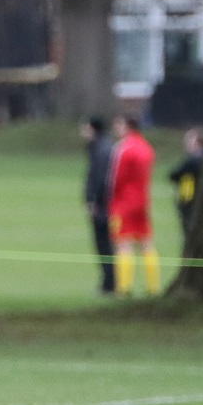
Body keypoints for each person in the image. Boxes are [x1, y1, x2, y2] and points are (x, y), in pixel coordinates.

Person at [108, 113, 159, 296]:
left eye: (118, 124)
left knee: (123, 244)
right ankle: (153, 287)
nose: (115, 128)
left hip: (124, 202)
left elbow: (115, 179)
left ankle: (124, 288)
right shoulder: (146, 147)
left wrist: (110, 199)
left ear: (127, 126)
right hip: (143, 201)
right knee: (146, 244)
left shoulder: (123, 148)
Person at [80, 116, 116, 295]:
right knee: (105, 244)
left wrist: (93, 201)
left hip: (103, 206)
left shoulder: (102, 150)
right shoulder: (101, 147)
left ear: (93, 129)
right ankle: (109, 282)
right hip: (105, 204)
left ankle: (109, 284)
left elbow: (100, 179)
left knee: (104, 244)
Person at [168, 126, 203, 241]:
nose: (186, 143)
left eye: (189, 139)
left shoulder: (195, 160)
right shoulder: (200, 158)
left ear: (197, 142)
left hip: (191, 200)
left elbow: (174, 175)